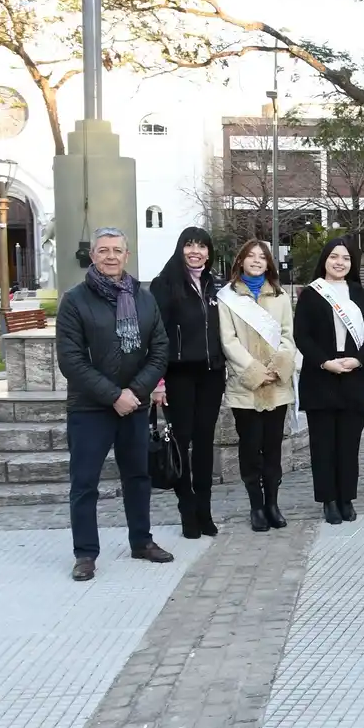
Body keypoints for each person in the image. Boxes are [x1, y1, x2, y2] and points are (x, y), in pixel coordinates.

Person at [56, 227, 173, 581]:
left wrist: (134, 393)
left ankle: (141, 541)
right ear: (92, 255)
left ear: (127, 255)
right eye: (103, 250)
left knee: (137, 477)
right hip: (90, 408)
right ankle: (86, 553)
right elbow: (71, 361)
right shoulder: (75, 300)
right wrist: (114, 395)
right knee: (85, 482)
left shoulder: (144, 298)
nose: (110, 256)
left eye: (117, 250)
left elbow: (160, 349)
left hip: (134, 404)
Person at [294, 238, 364, 525]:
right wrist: (324, 361)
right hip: (321, 375)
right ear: (325, 260)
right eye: (334, 257)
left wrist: (358, 359)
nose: (340, 262)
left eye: (346, 258)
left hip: (354, 375)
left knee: (348, 444)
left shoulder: (361, 295)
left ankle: (346, 498)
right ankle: (328, 501)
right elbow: (302, 336)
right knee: (322, 444)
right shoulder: (311, 294)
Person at [149, 226, 226, 538]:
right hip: (179, 374)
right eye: (190, 245)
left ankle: (204, 510)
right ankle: (187, 510)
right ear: (181, 249)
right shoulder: (164, 285)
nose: (196, 251)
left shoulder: (214, 285)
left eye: (202, 246)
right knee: (181, 442)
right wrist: (158, 382)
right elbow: (155, 336)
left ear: (209, 252)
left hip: (211, 374)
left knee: (205, 443)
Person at [218, 239, 297, 532]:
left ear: (268, 263)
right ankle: (256, 506)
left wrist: (276, 369)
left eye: (261, 257)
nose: (255, 261)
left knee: (273, 448)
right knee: (251, 449)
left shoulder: (279, 296)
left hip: (276, 387)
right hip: (245, 388)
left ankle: (273, 503)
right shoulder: (228, 298)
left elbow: (289, 336)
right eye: (250, 256)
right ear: (240, 261)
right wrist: (254, 371)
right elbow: (228, 340)